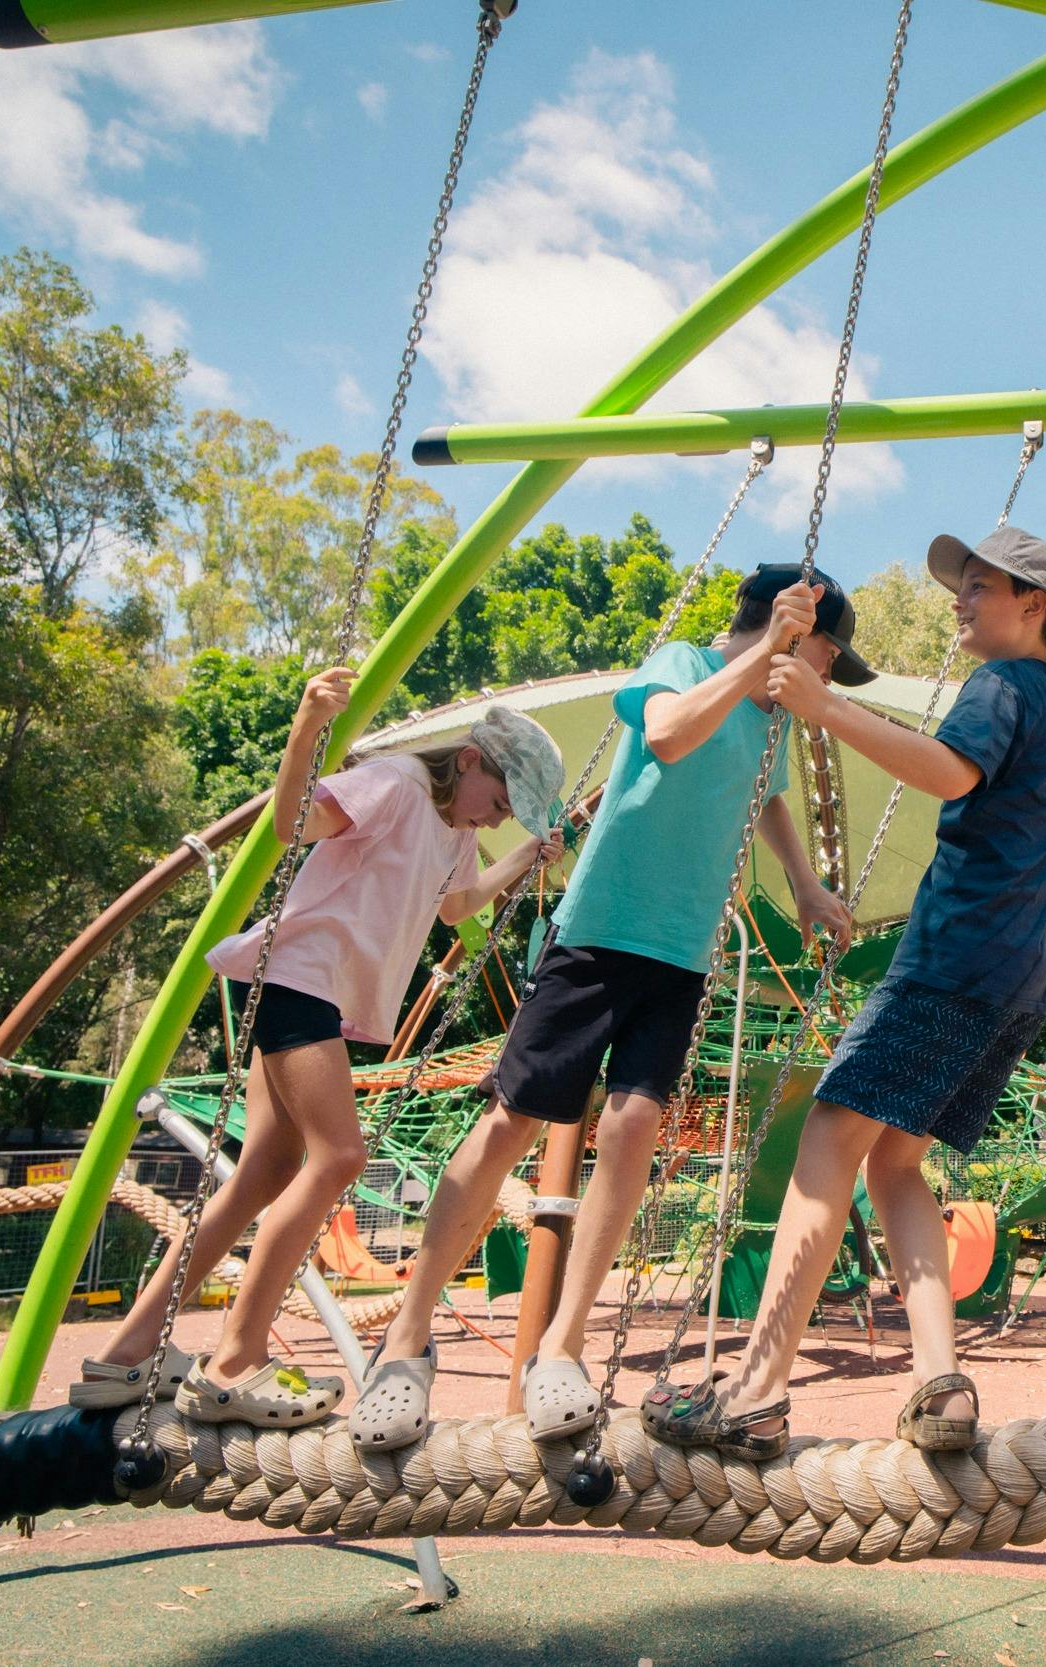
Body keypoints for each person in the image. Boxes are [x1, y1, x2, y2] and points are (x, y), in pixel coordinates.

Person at [645, 526, 1046, 1461]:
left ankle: (756, 1389)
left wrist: (823, 705)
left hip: (953, 957)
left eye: (977, 587)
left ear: (1034, 609)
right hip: (1024, 983)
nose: (958, 600)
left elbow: (950, 770)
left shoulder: (1003, 686)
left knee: (829, 1131)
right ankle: (940, 1381)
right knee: (894, 1163)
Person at [349, 566, 865, 1453]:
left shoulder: (772, 715)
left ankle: (564, 1343)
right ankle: (405, 1341)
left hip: (683, 948)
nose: (826, 671)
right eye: (828, 654)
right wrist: (765, 658)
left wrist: (808, 885)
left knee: (632, 1127)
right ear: (792, 630)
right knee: (512, 1121)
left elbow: (767, 796)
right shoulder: (685, 660)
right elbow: (667, 734)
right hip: (599, 930)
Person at [72, 678, 565, 1428]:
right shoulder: (399, 782)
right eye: (498, 802)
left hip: (318, 993)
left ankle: (129, 1350)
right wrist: (307, 725)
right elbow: (291, 820)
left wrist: (524, 855)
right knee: (338, 1157)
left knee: (265, 1171)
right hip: (301, 977)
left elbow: (457, 906)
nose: (494, 818)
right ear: (468, 760)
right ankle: (234, 1361)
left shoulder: (457, 832)